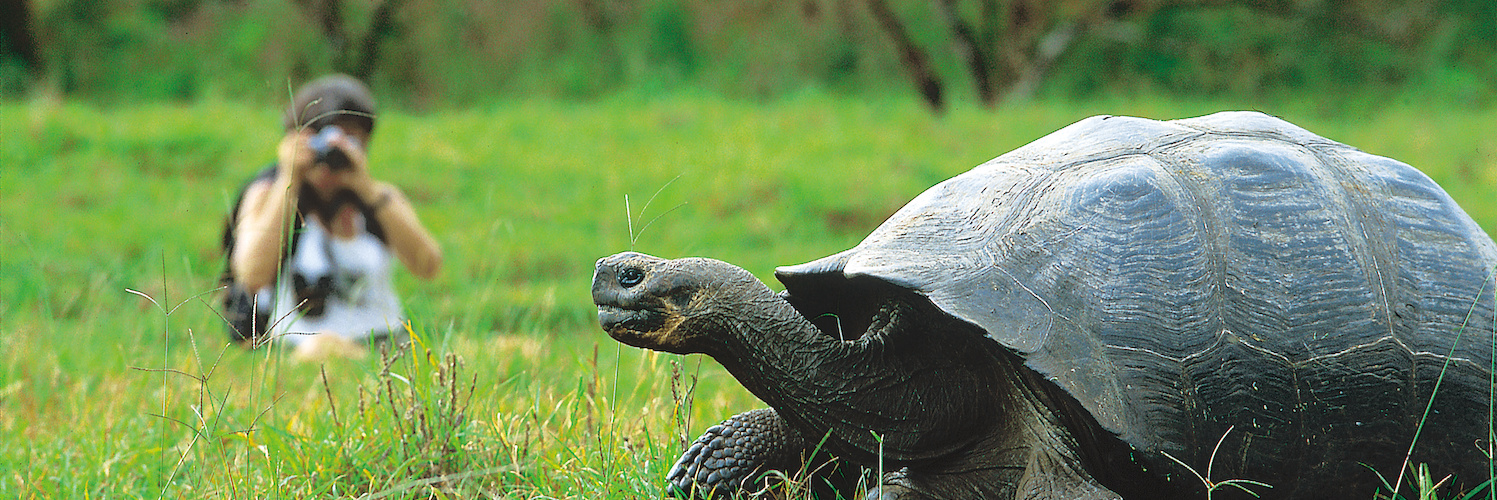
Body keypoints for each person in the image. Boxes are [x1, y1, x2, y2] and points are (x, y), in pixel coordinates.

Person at [220, 75, 441, 353]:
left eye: (349, 140)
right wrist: (289, 179)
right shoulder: (269, 192)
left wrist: (367, 190)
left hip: (381, 344)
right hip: (302, 349)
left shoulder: (379, 197)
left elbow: (428, 267)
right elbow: (251, 275)